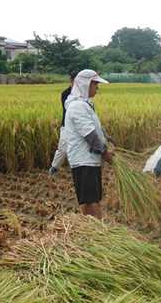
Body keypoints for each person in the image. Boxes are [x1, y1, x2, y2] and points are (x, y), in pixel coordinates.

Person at [64, 69, 114, 220]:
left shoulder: (85, 104)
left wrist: (108, 138)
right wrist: (105, 152)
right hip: (84, 160)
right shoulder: (77, 106)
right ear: (85, 85)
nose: (97, 88)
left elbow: (96, 126)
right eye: (95, 84)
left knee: (90, 198)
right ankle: (97, 233)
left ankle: (91, 231)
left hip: (89, 160)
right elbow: (89, 134)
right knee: (91, 200)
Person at [49, 72, 78, 177]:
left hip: (80, 125)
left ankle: (77, 169)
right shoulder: (65, 93)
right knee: (63, 147)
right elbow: (70, 109)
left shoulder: (84, 93)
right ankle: (54, 167)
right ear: (72, 81)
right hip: (67, 124)